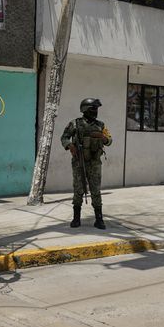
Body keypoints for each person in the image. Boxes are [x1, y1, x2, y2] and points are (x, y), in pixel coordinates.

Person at [60, 98, 112, 230]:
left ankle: (99, 219)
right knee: (78, 190)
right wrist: (70, 146)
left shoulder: (101, 125)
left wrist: (102, 137)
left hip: (95, 163)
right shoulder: (75, 124)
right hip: (79, 162)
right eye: (93, 109)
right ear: (85, 109)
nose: (95, 111)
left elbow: (110, 141)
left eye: (96, 109)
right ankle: (76, 218)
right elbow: (64, 137)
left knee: (96, 190)